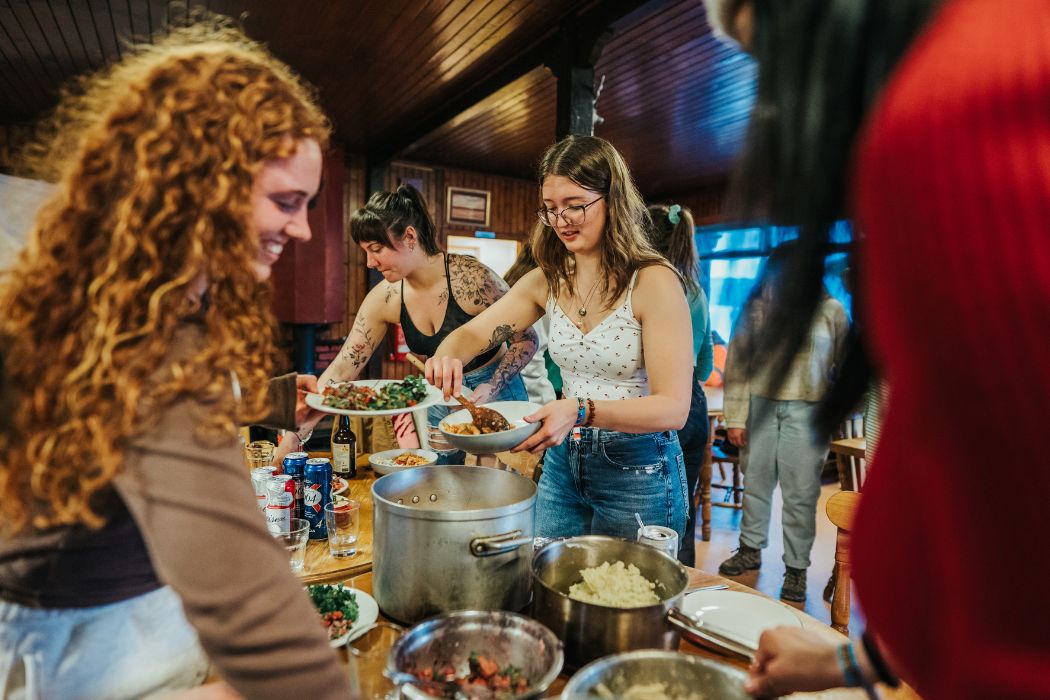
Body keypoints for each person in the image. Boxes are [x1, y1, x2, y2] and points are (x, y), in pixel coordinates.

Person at [708, 1, 1050, 698]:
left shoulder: (960, 114)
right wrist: (847, 663)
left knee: (800, 499)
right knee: (763, 496)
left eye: (772, 56)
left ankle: (798, 570)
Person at [0, 23, 349, 699]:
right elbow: (255, 612)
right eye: (286, 202)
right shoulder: (140, 330)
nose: (302, 229)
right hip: (89, 643)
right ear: (203, 182)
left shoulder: (122, 285)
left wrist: (275, 400)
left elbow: (125, 433)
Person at [426, 135, 694, 542]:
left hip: (639, 469)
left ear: (613, 200)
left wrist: (580, 409)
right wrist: (448, 355)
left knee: (623, 594)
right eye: (550, 209)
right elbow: (474, 332)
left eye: (575, 205)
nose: (561, 220)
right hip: (563, 461)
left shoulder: (653, 282)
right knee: (545, 574)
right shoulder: (547, 280)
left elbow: (673, 409)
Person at [273, 185, 538, 466]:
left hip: (498, 393)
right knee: (446, 487)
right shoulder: (385, 298)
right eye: (365, 252)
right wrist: (296, 433)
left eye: (376, 250)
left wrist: (492, 386)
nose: (369, 262)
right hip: (441, 398)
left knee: (503, 489)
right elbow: (342, 368)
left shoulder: (471, 280)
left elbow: (527, 340)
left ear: (409, 237)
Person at [717, 245, 848, 602]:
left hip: (807, 412)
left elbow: (845, 367)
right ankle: (749, 549)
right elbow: (738, 370)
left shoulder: (831, 311)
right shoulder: (754, 310)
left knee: (801, 494)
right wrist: (736, 418)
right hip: (759, 406)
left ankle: (796, 569)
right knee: (755, 483)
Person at [646, 203, 712, 565]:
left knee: (648, 509)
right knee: (680, 511)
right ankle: (681, 584)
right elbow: (705, 364)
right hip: (693, 405)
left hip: (654, 403)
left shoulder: (645, 287)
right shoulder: (696, 291)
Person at [502, 243, 558, 406]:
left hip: (510, 383)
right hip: (536, 389)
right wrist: (546, 401)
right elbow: (531, 360)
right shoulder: (540, 290)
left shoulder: (508, 284)